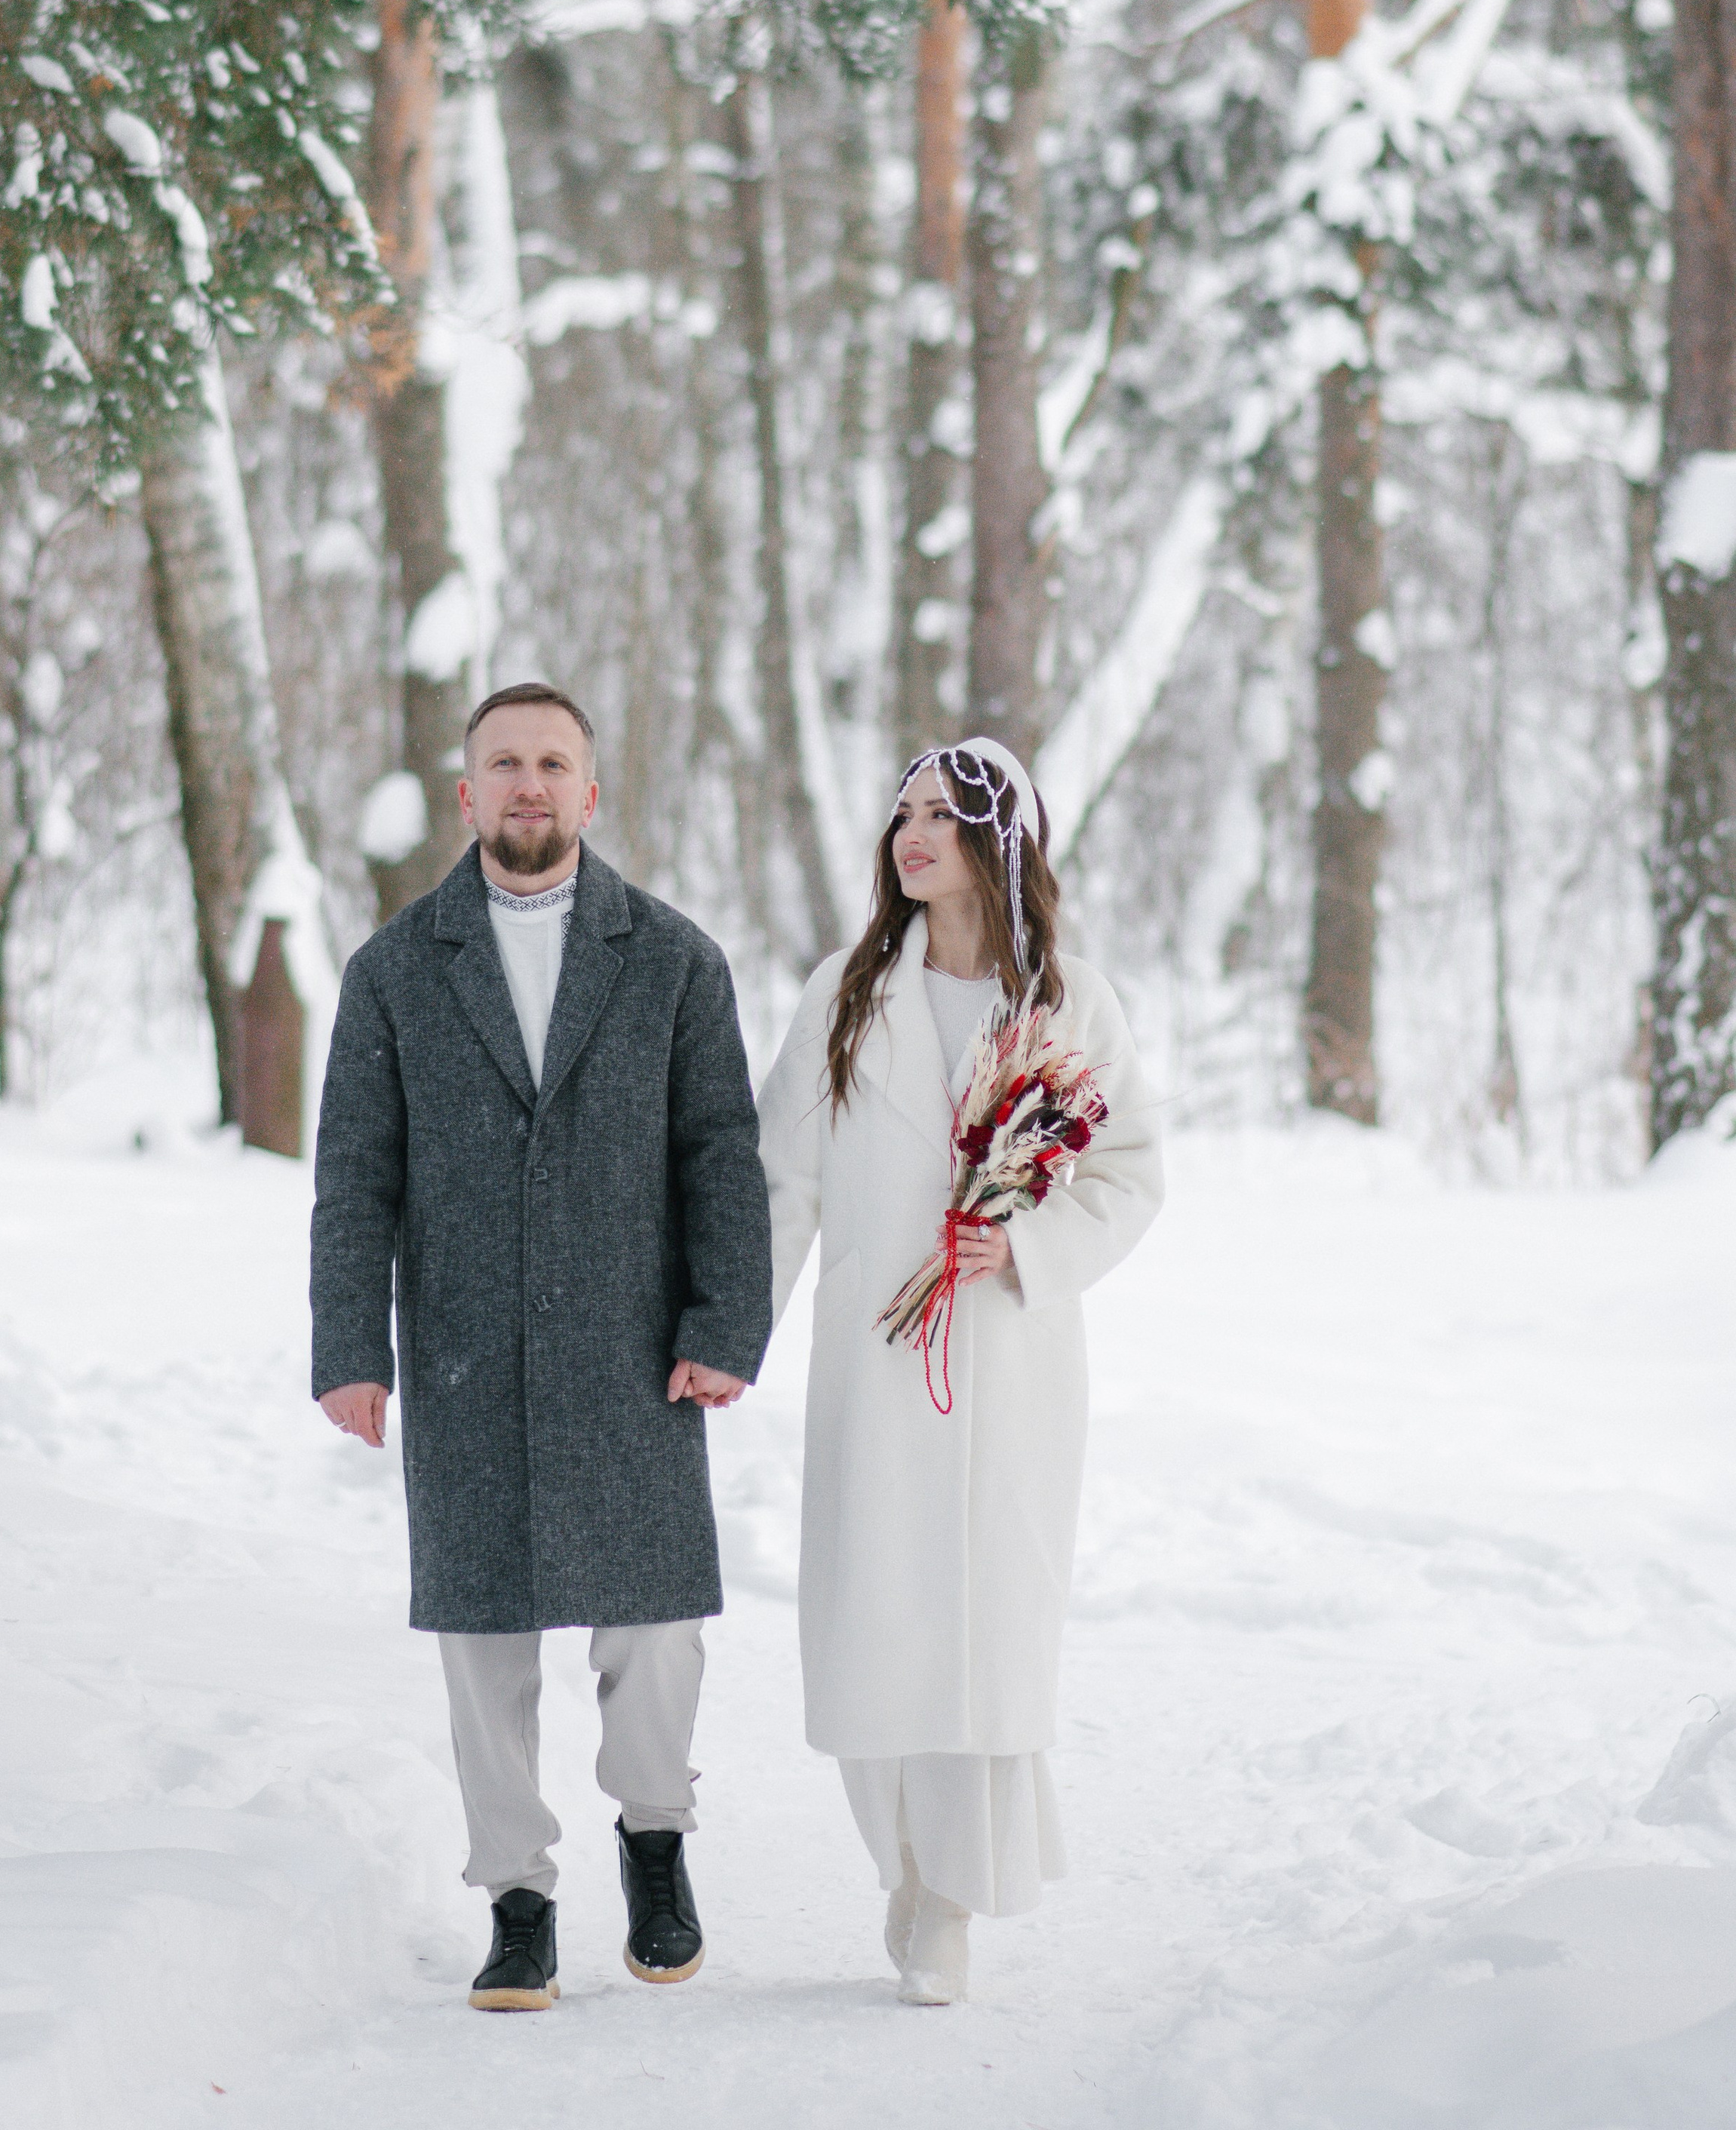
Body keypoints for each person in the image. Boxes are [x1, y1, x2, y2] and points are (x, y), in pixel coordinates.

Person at [311, 682, 772, 2013]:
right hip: (463, 1352)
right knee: (482, 1644)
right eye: (503, 763)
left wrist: (722, 1323)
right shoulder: (394, 970)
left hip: (634, 1352)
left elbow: (720, 1159)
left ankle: (656, 1845)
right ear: (466, 794)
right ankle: (516, 1897)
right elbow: (355, 1176)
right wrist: (353, 1345)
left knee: (656, 1631)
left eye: (552, 762)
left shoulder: (675, 960)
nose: (528, 783)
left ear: (589, 788)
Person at [755, 737, 1162, 2006]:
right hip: (877, 1361)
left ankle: (947, 1901)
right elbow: (782, 1179)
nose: (911, 833)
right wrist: (729, 1335)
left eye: (942, 814)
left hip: (1008, 1368)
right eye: (903, 813)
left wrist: (1024, 1243)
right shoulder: (844, 990)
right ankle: (902, 1858)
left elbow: (1129, 1173)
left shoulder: (1070, 1000)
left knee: (982, 1632)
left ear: (1003, 838)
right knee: (871, 1622)